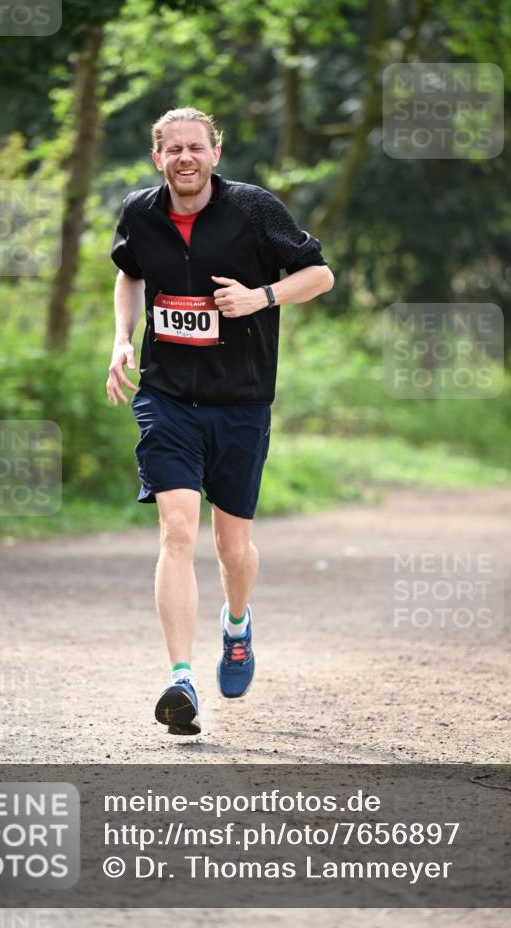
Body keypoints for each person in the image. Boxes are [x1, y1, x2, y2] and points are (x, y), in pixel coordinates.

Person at [106, 107, 334, 735]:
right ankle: (181, 678)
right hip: (168, 396)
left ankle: (237, 625)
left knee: (233, 547)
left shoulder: (254, 208)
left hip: (242, 400)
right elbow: (130, 274)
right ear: (158, 158)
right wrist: (121, 341)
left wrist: (260, 297)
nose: (185, 158)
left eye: (195, 147)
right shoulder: (140, 212)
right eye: (172, 149)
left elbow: (320, 274)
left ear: (215, 152)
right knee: (177, 530)